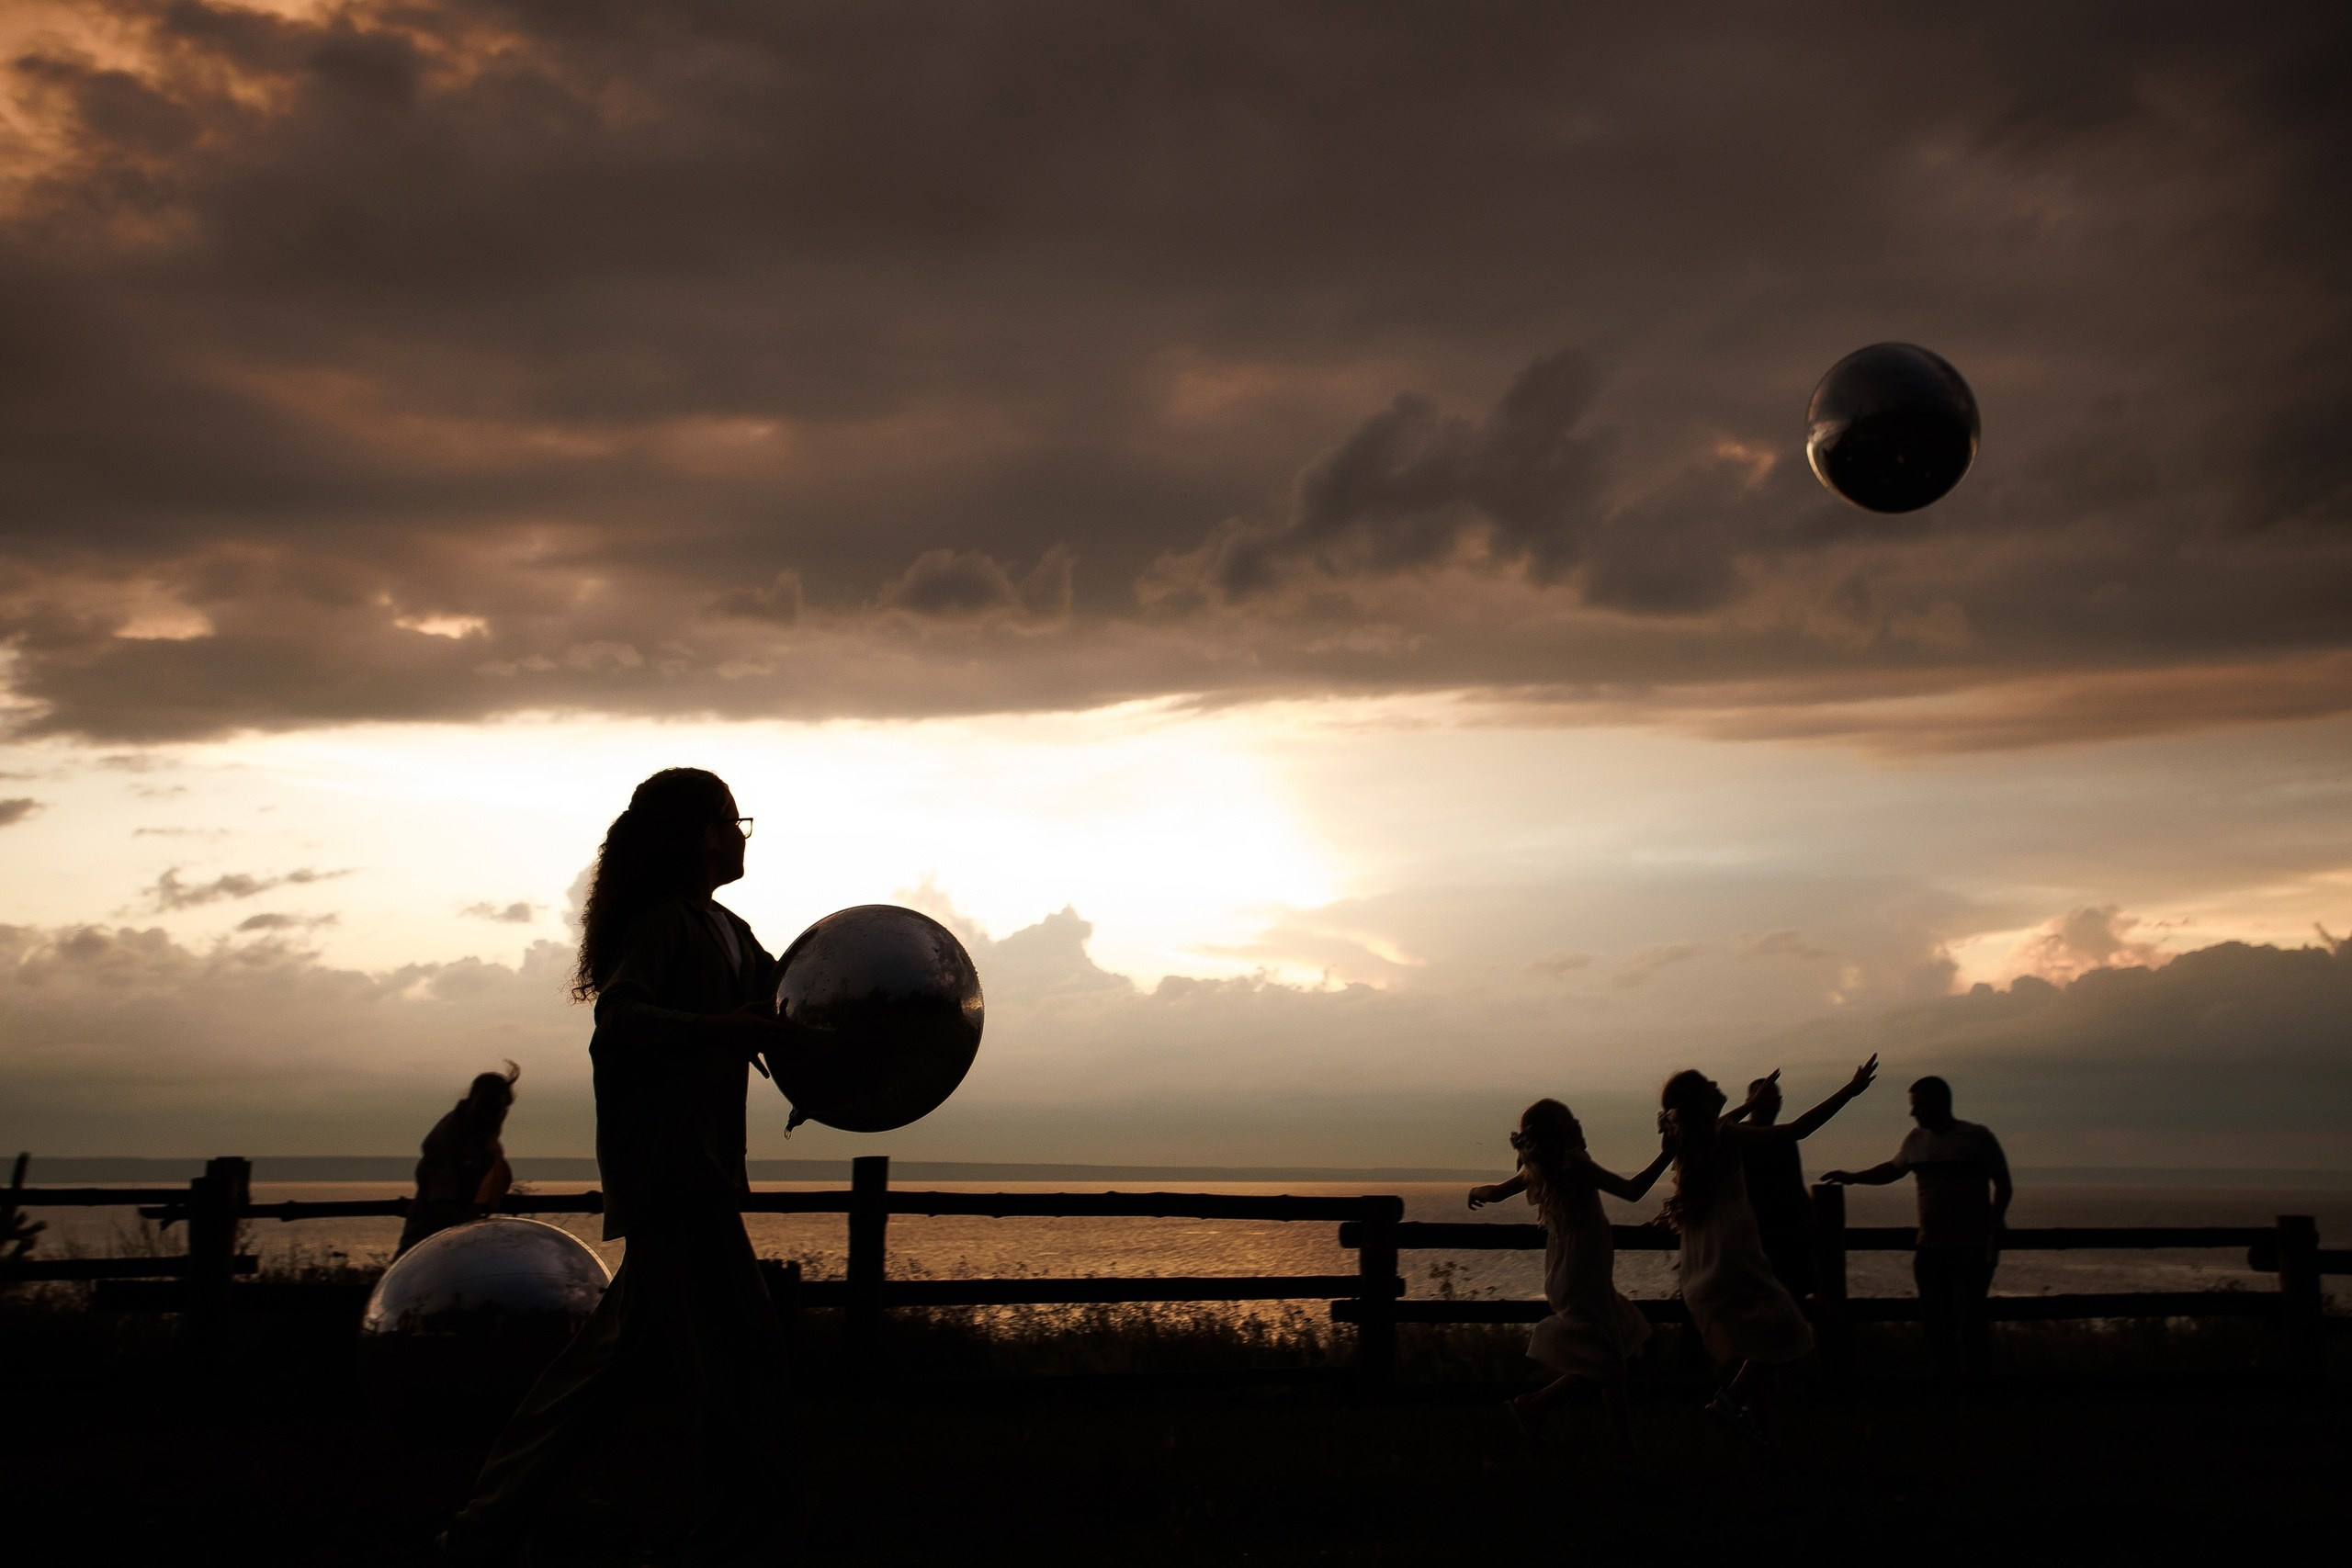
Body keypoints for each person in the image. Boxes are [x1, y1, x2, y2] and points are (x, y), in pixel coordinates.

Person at [437, 768, 825, 1567]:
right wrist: (716, 1027)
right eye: (732, 821)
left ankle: (483, 1529)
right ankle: (741, 1527)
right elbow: (620, 1020)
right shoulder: (663, 925)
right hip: (671, 1179)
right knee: (743, 1355)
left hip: (700, 1175)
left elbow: (783, 1008)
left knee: (611, 1369)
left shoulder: (729, 929)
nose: (741, 835)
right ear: (699, 835)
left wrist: (829, 1073)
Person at [1659, 1057, 1876, 1446]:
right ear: (1703, 1102)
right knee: (1791, 1333)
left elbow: (1722, 1122)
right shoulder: (1725, 1134)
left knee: (1758, 1343)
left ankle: (1755, 1427)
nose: (1715, 1082)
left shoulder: (1694, 1137)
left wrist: (1751, 1102)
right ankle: (1729, 1402)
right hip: (1734, 1252)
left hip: (1705, 1257)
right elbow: (1797, 1130)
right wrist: (1850, 1090)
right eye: (1708, 1083)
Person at [1467, 1100, 1673, 1459]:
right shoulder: (1575, 1163)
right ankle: (1533, 1405)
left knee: (1610, 1359)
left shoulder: (1541, 1169)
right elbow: (1632, 1190)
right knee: (1609, 1365)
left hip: (1568, 1271)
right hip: (1584, 1274)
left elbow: (1497, 1192)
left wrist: (1475, 1192)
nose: (1581, 1126)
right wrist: (1668, 1154)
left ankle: (1626, 1452)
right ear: (1563, 1133)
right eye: (1574, 1122)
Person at [1823, 1076, 2011, 1380]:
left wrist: (1996, 1217)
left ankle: (1979, 1385)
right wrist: (1855, 1177)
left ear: (1940, 1102)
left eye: (1919, 1106)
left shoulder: (1976, 1138)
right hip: (1931, 1246)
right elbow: (1893, 1169)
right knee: (1936, 1322)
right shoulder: (1915, 1140)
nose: (1914, 1113)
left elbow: (2003, 1183)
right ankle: (1949, 1384)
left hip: (1971, 1246)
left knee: (1969, 1319)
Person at [396, 1063, 521, 1258]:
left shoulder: (484, 1140)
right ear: (471, 1101)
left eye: (495, 1109)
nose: (488, 1116)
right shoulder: (449, 1137)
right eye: (484, 1107)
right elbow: (441, 1201)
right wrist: (479, 1229)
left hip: (458, 1240)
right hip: (427, 1239)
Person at [1725, 1074, 1815, 1302]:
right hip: (1752, 1239)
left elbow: (1795, 1185)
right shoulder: (1737, 1136)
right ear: (1750, 1102)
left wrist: (1811, 1221)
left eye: (1774, 1099)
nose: (1770, 1104)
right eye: (1762, 1099)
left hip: (1787, 1240)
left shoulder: (1785, 1139)